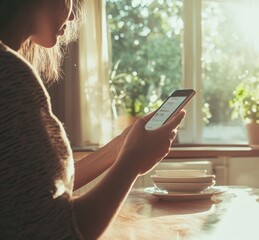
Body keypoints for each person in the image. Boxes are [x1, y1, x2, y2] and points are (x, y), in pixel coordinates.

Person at [0, 1, 185, 239]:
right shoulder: (9, 77)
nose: (72, 17)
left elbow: (31, 191)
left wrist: (119, 148)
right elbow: (57, 230)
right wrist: (132, 160)